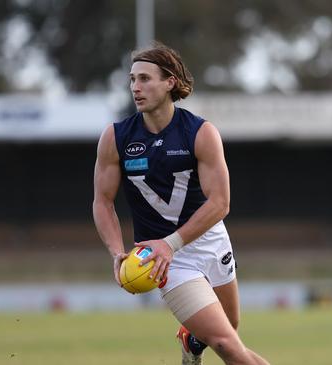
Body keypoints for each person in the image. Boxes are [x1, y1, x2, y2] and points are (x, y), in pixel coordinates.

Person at [92, 41, 270, 365]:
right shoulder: (115, 138)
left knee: (228, 329)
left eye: (145, 78)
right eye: (132, 79)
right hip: (164, 261)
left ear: (169, 82)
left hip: (208, 241)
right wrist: (117, 252)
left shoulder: (200, 133)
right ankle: (199, 338)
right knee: (227, 344)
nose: (136, 87)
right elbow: (102, 202)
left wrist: (171, 243)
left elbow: (221, 203)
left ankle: (192, 341)